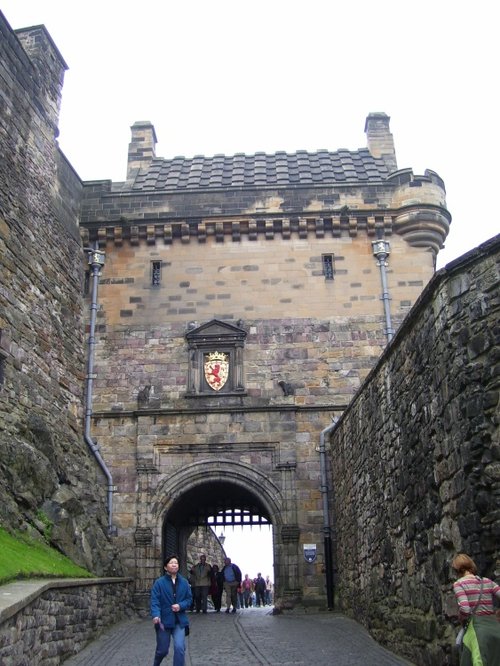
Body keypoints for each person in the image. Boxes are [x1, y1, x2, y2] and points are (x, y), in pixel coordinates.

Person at [452, 553, 500, 665]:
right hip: (496, 630)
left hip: (477, 632)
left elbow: (465, 609)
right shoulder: (487, 581)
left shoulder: (459, 584)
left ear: (457, 570)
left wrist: (461, 618)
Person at [150, 555, 192, 666]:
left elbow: (189, 599)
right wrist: (156, 615)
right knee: (162, 650)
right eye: (171, 563)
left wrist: (180, 605)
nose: (174, 565)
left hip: (179, 621)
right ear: (165, 567)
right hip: (164, 621)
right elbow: (155, 601)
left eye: (176, 563)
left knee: (179, 648)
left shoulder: (184, 582)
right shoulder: (159, 583)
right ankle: (156, 663)